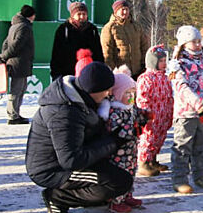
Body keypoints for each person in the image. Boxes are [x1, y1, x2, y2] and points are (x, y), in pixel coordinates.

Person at [26, 62, 131, 213]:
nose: (109, 93)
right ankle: (58, 197)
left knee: (116, 173)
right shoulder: (64, 112)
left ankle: (84, 197)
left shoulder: (81, 101)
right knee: (119, 182)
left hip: (64, 161)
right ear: (92, 89)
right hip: (52, 169)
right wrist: (112, 143)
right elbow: (71, 160)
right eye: (106, 89)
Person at [169, 25, 203, 193]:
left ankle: (201, 175)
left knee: (202, 145)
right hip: (187, 113)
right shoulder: (178, 65)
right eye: (194, 42)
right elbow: (181, 87)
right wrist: (197, 103)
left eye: (199, 41)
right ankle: (179, 179)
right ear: (184, 43)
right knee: (182, 147)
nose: (198, 45)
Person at [97, 67, 146, 213]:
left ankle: (127, 195)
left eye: (133, 93)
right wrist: (133, 130)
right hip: (118, 153)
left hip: (131, 151)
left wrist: (145, 116)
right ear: (117, 93)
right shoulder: (114, 111)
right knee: (121, 176)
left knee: (131, 172)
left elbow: (138, 116)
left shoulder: (130, 107)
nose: (131, 96)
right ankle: (115, 200)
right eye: (127, 93)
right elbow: (117, 130)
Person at [136, 45, 173, 176]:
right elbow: (142, 98)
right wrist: (146, 113)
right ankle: (143, 162)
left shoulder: (165, 78)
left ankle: (153, 159)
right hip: (152, 117)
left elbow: (169, 96)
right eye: (161, 61)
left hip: (163, 116)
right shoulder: (146, 78)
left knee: (159, 138)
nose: (164, 64)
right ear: (153, 62)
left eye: (165, 61)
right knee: (149, 138)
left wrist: (170, 113)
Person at [0, 5, 36, 125]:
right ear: (30, 15)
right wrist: (4, 56)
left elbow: (6, 43)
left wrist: (4, 55)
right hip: (19, 62)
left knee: (20, 89)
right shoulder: (24, 27)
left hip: (17, 62)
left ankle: (15, 114)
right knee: (17, 90)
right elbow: (16, 45)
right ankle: (13, 116)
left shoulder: (14, 26)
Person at [50, 2, 104, 80]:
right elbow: (56, 54)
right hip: (68, 74)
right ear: (72, 15)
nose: (82, 17)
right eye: (79, 14)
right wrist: (56, 74)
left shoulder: (92, 30)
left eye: (84, 14)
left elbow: (98, 53)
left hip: (89, 74)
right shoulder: (64, 29)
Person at [101, 0, 149, 79]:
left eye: (126, 9)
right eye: (122, 9)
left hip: (137, 71)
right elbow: (107, 52)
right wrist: (113, 70)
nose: (125, 11)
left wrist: (144, 65)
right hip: (120, 73)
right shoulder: (109, 28)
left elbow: (144, 46)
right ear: (116, 11)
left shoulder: (136, 26)